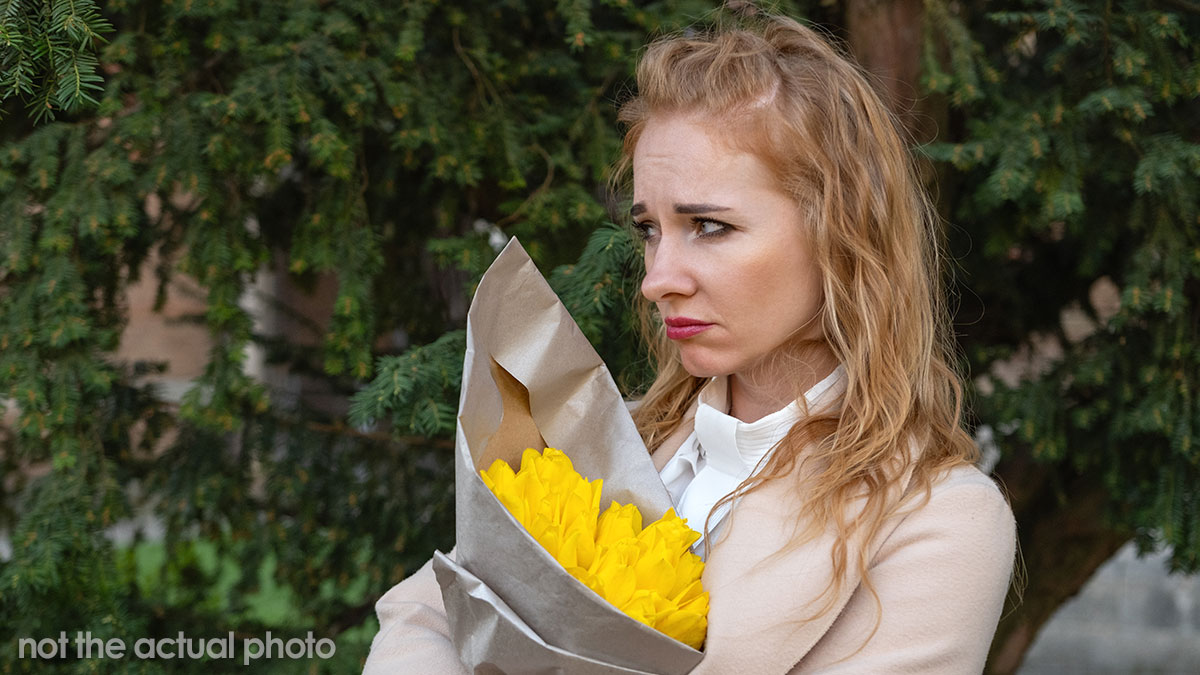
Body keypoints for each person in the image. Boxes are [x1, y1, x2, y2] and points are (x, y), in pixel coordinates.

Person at [365, 13, 1016, 674]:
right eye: (650, 228)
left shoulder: (936, 519)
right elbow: (424, 611)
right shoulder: (612, 436)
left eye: (708, 225)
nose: (656, 280)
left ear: (842, 236)